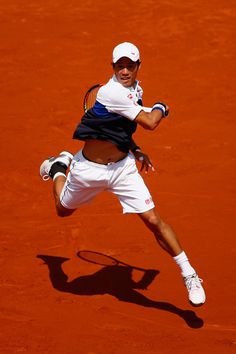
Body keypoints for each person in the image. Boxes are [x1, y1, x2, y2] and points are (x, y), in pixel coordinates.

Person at [39, 42, 206, 306]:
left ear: (138, 66)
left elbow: (118, 130)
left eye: (130, 66)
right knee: (62, 210)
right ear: (113, 67)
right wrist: (161, 106)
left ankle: (189, 273)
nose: (124, 71)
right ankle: (59, 165)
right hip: (88, 170)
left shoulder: (135, 91)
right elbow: (150, 122)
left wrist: (136, 150)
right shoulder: (111, 92)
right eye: (120, 66)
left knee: (153, 220)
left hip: (122, 169)